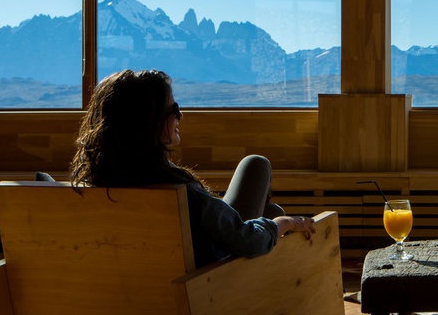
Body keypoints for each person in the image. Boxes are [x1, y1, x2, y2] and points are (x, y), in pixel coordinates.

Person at [69, 69, 316, 268]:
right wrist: (286, 223)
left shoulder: (95, 185)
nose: (181, 116)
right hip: (205, 285)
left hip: (136, 275)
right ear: (148, 123)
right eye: (173, 110)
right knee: (257, 167)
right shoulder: (183, 195)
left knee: (269, 209)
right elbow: (247, 241)